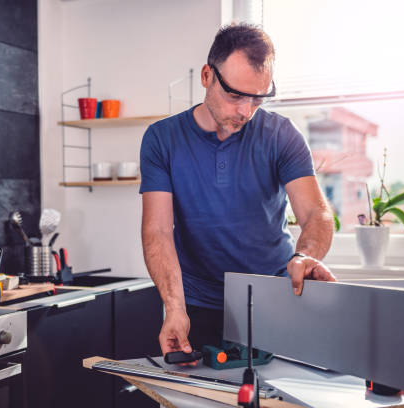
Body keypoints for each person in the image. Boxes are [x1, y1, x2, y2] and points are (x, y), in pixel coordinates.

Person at [139, 23, 336, 359]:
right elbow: (158, 230)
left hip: (275, 298)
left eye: (257, 98)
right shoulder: (161, 139)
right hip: (197, 306)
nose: (245, 111)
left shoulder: (282, 135)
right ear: (206, 76)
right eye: (234, 95)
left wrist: (305, 256)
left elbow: (316, 213)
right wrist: (174, 306)